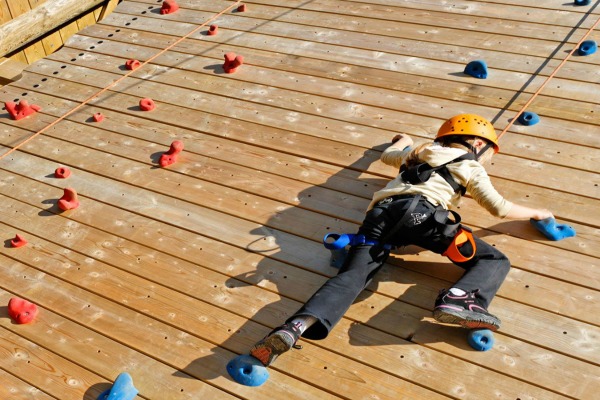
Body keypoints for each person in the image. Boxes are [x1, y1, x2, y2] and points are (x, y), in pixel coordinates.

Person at [249, 114, 553, 367]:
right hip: (424, 218)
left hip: (378, 219)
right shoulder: (471, 165)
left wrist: (402, 141)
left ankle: (296, 327)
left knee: (351, 278)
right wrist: (537, 212)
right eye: (486, 148)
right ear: (476, 142)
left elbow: (386, 156)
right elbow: (498, 207)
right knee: (493, 259)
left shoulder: (417, 154)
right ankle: (460, 298)